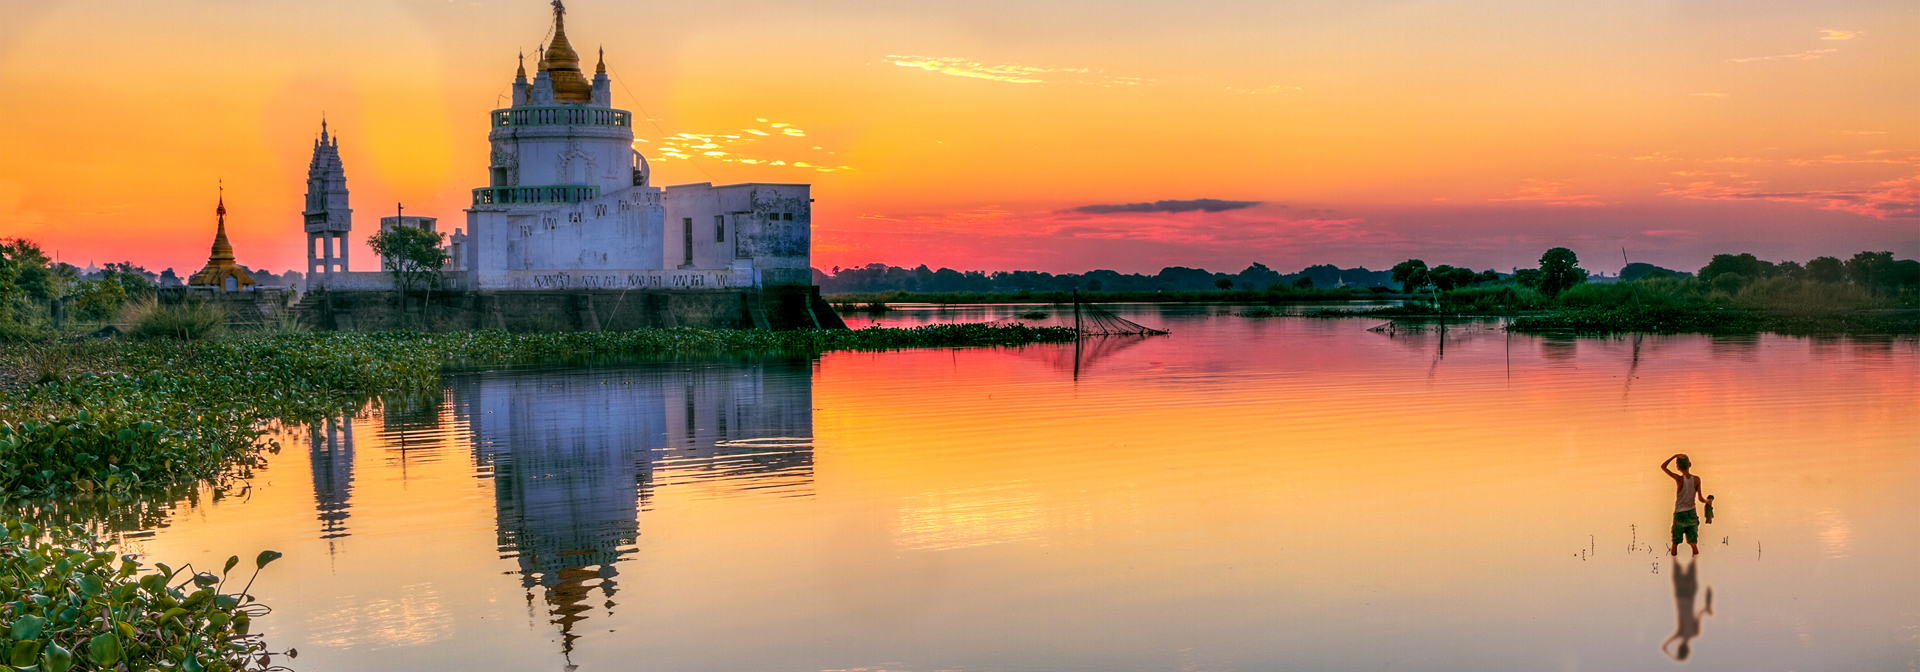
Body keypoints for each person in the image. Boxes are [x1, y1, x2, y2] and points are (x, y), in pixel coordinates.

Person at [1661, 556, 1714, 661]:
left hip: (1688, 594)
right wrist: (1674, 657)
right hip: (1682, 595)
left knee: (1692, 561)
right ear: (1680, 646)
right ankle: (1683, 542)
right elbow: (1665, 647)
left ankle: (1691, 542)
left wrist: (1706, 609)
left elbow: (1700, 613)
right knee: (1677, 560)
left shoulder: (1693, 633)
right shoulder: (1680, 633)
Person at [1662, 453, 1709, 556]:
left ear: (1678, 467)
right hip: (1691, 513)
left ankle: (1673, 565)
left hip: (1679, 514)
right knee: (1693, 543)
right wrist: (1707, 502)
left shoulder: (1679, 480)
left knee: (1675, 543)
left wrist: (1674, 456)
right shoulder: (1697, 479)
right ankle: (1696, 563)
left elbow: (1663, 466)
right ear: (1690, 465)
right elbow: (1700, 498)